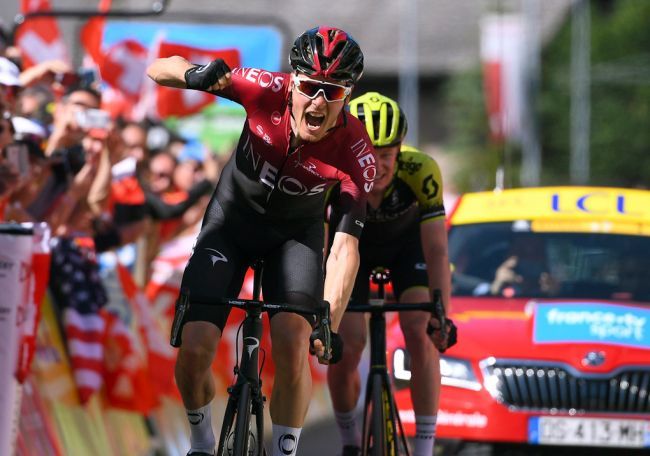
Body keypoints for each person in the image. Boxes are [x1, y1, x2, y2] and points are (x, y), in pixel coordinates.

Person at [147, 26, 374, 456]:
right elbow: (159, 69)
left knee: (292, 342)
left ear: (348, 95)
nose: (319, 102)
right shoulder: (263, 89)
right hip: (230, 226)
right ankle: (200, 444)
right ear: (292, 82)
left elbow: (345, 248)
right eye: (310, 88)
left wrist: (331, 319)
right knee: (195, 348)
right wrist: (197, 76)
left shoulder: (355, 151)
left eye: (333, 92)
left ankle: (285, 449)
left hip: (294, 240)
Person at [326, 92, 455, 456]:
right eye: (368, 154)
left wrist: (441, 314)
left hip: (406, 250)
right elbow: (323, 246)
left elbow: (437, 249)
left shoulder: (421, 169)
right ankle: (350, 441)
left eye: (386, 155)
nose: (378, 166)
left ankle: (425, 447)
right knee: (347, 346)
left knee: (420, 332)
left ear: (401, 150)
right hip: (351, 249)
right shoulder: (333, 170)